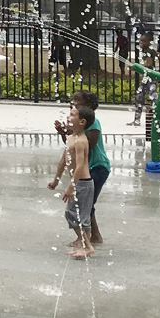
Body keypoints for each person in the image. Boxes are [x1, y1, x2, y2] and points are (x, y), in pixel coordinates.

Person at [52, 90, 107, 246]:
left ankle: (90, 238)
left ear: (88, 106)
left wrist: (70, 185)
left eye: (77, 100)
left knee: (86, 204)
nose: (73, 102)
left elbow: (89, 146)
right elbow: (70, 148)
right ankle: (89, 237)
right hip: (86, 169)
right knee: (84, 205)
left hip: (97, 167)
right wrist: (65, 133)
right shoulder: (77, 130)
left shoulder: (93, 123)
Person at [49, 103, 95, 258]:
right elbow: (63, 161)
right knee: (79, 215)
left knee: (73, 214)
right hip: (78, 183)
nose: (68, 116)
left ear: (82, 122)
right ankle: (84, 244)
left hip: (83, 183)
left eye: (73, 115)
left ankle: (88, 247)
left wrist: (71, 186)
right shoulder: (70, 138)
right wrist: (56, 180)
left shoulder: (81, 141)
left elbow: (81, 166)